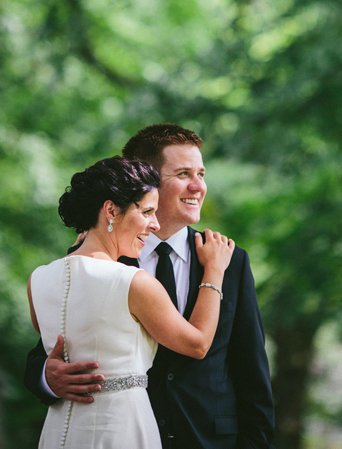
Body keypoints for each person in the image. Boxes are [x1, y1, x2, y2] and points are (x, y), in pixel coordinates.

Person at [25, 124, 275, 449]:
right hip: (121, 433)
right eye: (184, 173)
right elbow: (52, 345)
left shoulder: (229, 259)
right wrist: (47, 376)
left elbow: (251, 369)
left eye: (201, 173)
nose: (199, 186)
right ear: (147, 181)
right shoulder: (93, 262)